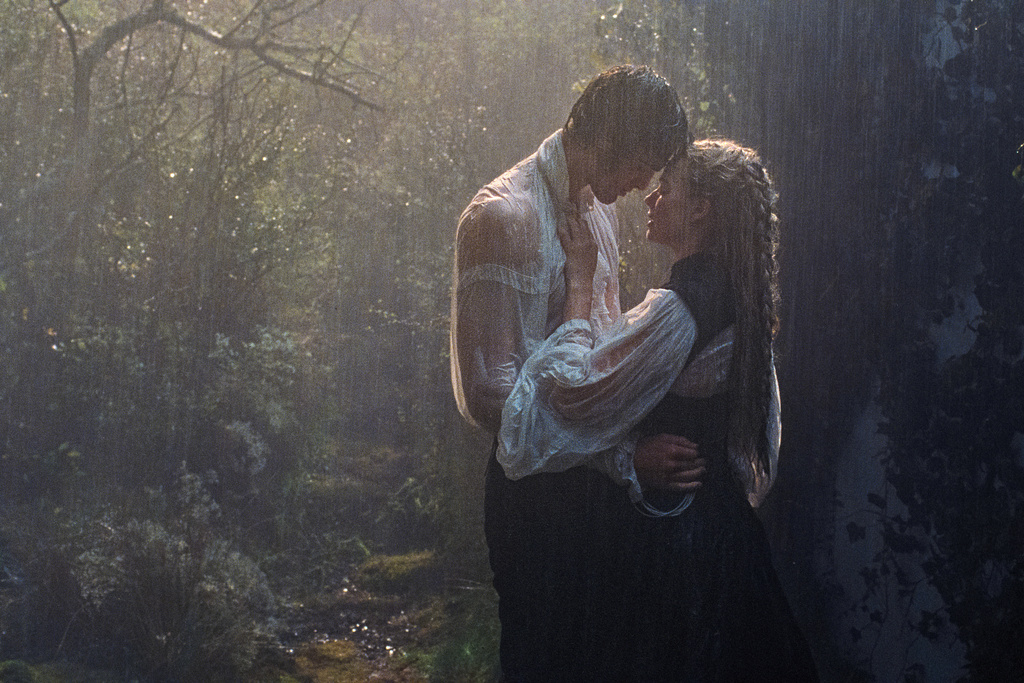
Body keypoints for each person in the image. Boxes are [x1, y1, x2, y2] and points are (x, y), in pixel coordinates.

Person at [499, 140, 819, 681]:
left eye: (667, 189)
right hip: (723, 539)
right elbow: (751, 453)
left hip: (677, 552)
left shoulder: (680, 308)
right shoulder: (737, 290)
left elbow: (573, 395)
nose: (651, 197)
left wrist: (580, 280)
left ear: (701, 210)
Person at [450, 65, 697, 681]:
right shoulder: (503, 218)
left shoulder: (598, 214)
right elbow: (493, 401)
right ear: (617, 137)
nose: (647, 184)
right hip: (535, 500)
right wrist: (621, 460)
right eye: (647, 161)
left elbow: (595, 365)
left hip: (594, 496)